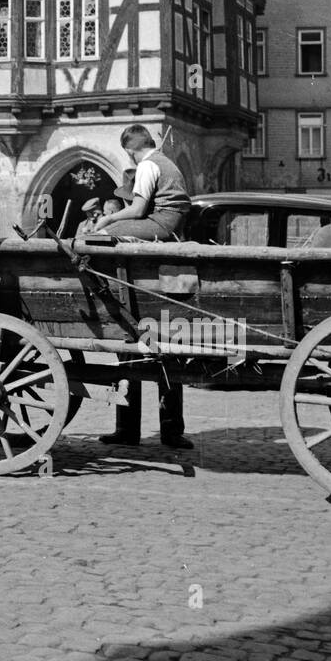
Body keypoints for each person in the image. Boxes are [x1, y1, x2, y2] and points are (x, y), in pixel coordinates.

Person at [98, 125, 194, 450]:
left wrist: (107, 221)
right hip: (170, 232)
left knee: (98, 236)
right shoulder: (168, 163)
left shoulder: (148, 166)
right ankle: (170, 431)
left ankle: (127, 431)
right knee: (162, 359)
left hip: (159, 225)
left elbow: (138, 210)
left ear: (129, 150)